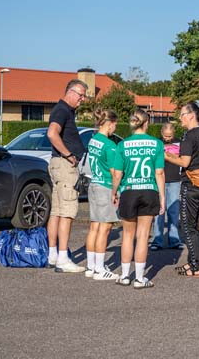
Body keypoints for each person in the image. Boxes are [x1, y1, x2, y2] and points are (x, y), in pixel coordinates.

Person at [111, 110, 165, 289]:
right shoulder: (156, 144)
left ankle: (125, 275)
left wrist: (114, 191)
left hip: (129, 190)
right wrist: (162, 197)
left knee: (128, 235)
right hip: (149, 190)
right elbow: (159, 172)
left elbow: (118, 173)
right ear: (146, 123)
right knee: (143, 236)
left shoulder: (122, 145)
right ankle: (140, 278)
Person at [165, 102, 199, 277]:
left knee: (187, 225)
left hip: (191, 184)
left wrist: (166, 156)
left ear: (192, 115)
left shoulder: (189, 136)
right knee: (194, 225)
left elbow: (185, 162)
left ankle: (196, 266)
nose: (180, 118)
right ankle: (193, 261)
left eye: (182, 114)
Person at [46, 79, 88, 273]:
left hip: (58, 166)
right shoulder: (62, 110)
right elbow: (52, 133)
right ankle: (63, 258)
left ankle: (53, 254)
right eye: (80, 95)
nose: (82, 100)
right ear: (70, 92)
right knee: (67, 212)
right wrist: (69, 155)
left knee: (56, 211)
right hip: (64, 166)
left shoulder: (64, 110)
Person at [85, 108, 119, 281]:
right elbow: (114, 172)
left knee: (94, 227)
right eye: (115, 125)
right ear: (110, 124)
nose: (115, 129)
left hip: (94, 183)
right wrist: (116, 191)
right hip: (105, 186)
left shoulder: (93, 140)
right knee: (105, 228)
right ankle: (99, 269)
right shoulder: (109, 145)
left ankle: (91, 266)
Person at [150, 123, 184, 250]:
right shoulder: (157, 143)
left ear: (173, 134)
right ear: (161, 132)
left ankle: (174, 240)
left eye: (170, 136)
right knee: (159, 211)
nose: (168, 138)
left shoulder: (180, 143)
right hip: (159, 179)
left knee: (173, 211)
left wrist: (169, 155)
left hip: (175, 179)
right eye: (165, 135)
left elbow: (183, 159)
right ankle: (157, 240)